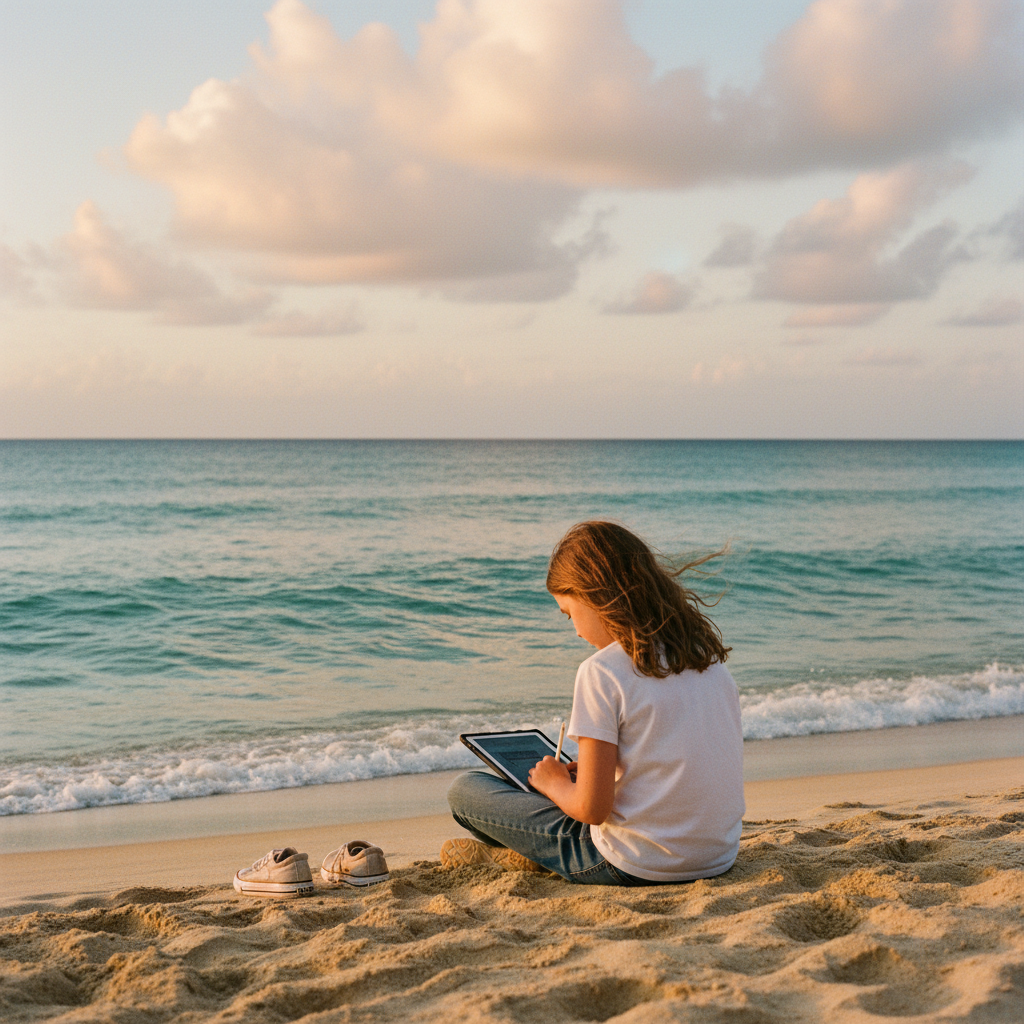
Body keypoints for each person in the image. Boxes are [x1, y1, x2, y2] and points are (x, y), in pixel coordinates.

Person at [441, 520, 745, 885]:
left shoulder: (601, 671)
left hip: (633, 863)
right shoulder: (707, 662)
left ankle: (525, 855)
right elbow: (674, 758)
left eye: (570, 614)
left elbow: (591, 810)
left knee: (466, 790)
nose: (576, 631)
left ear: (596, 596)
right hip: (717, 857)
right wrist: (591, 772)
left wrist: (554, 784)